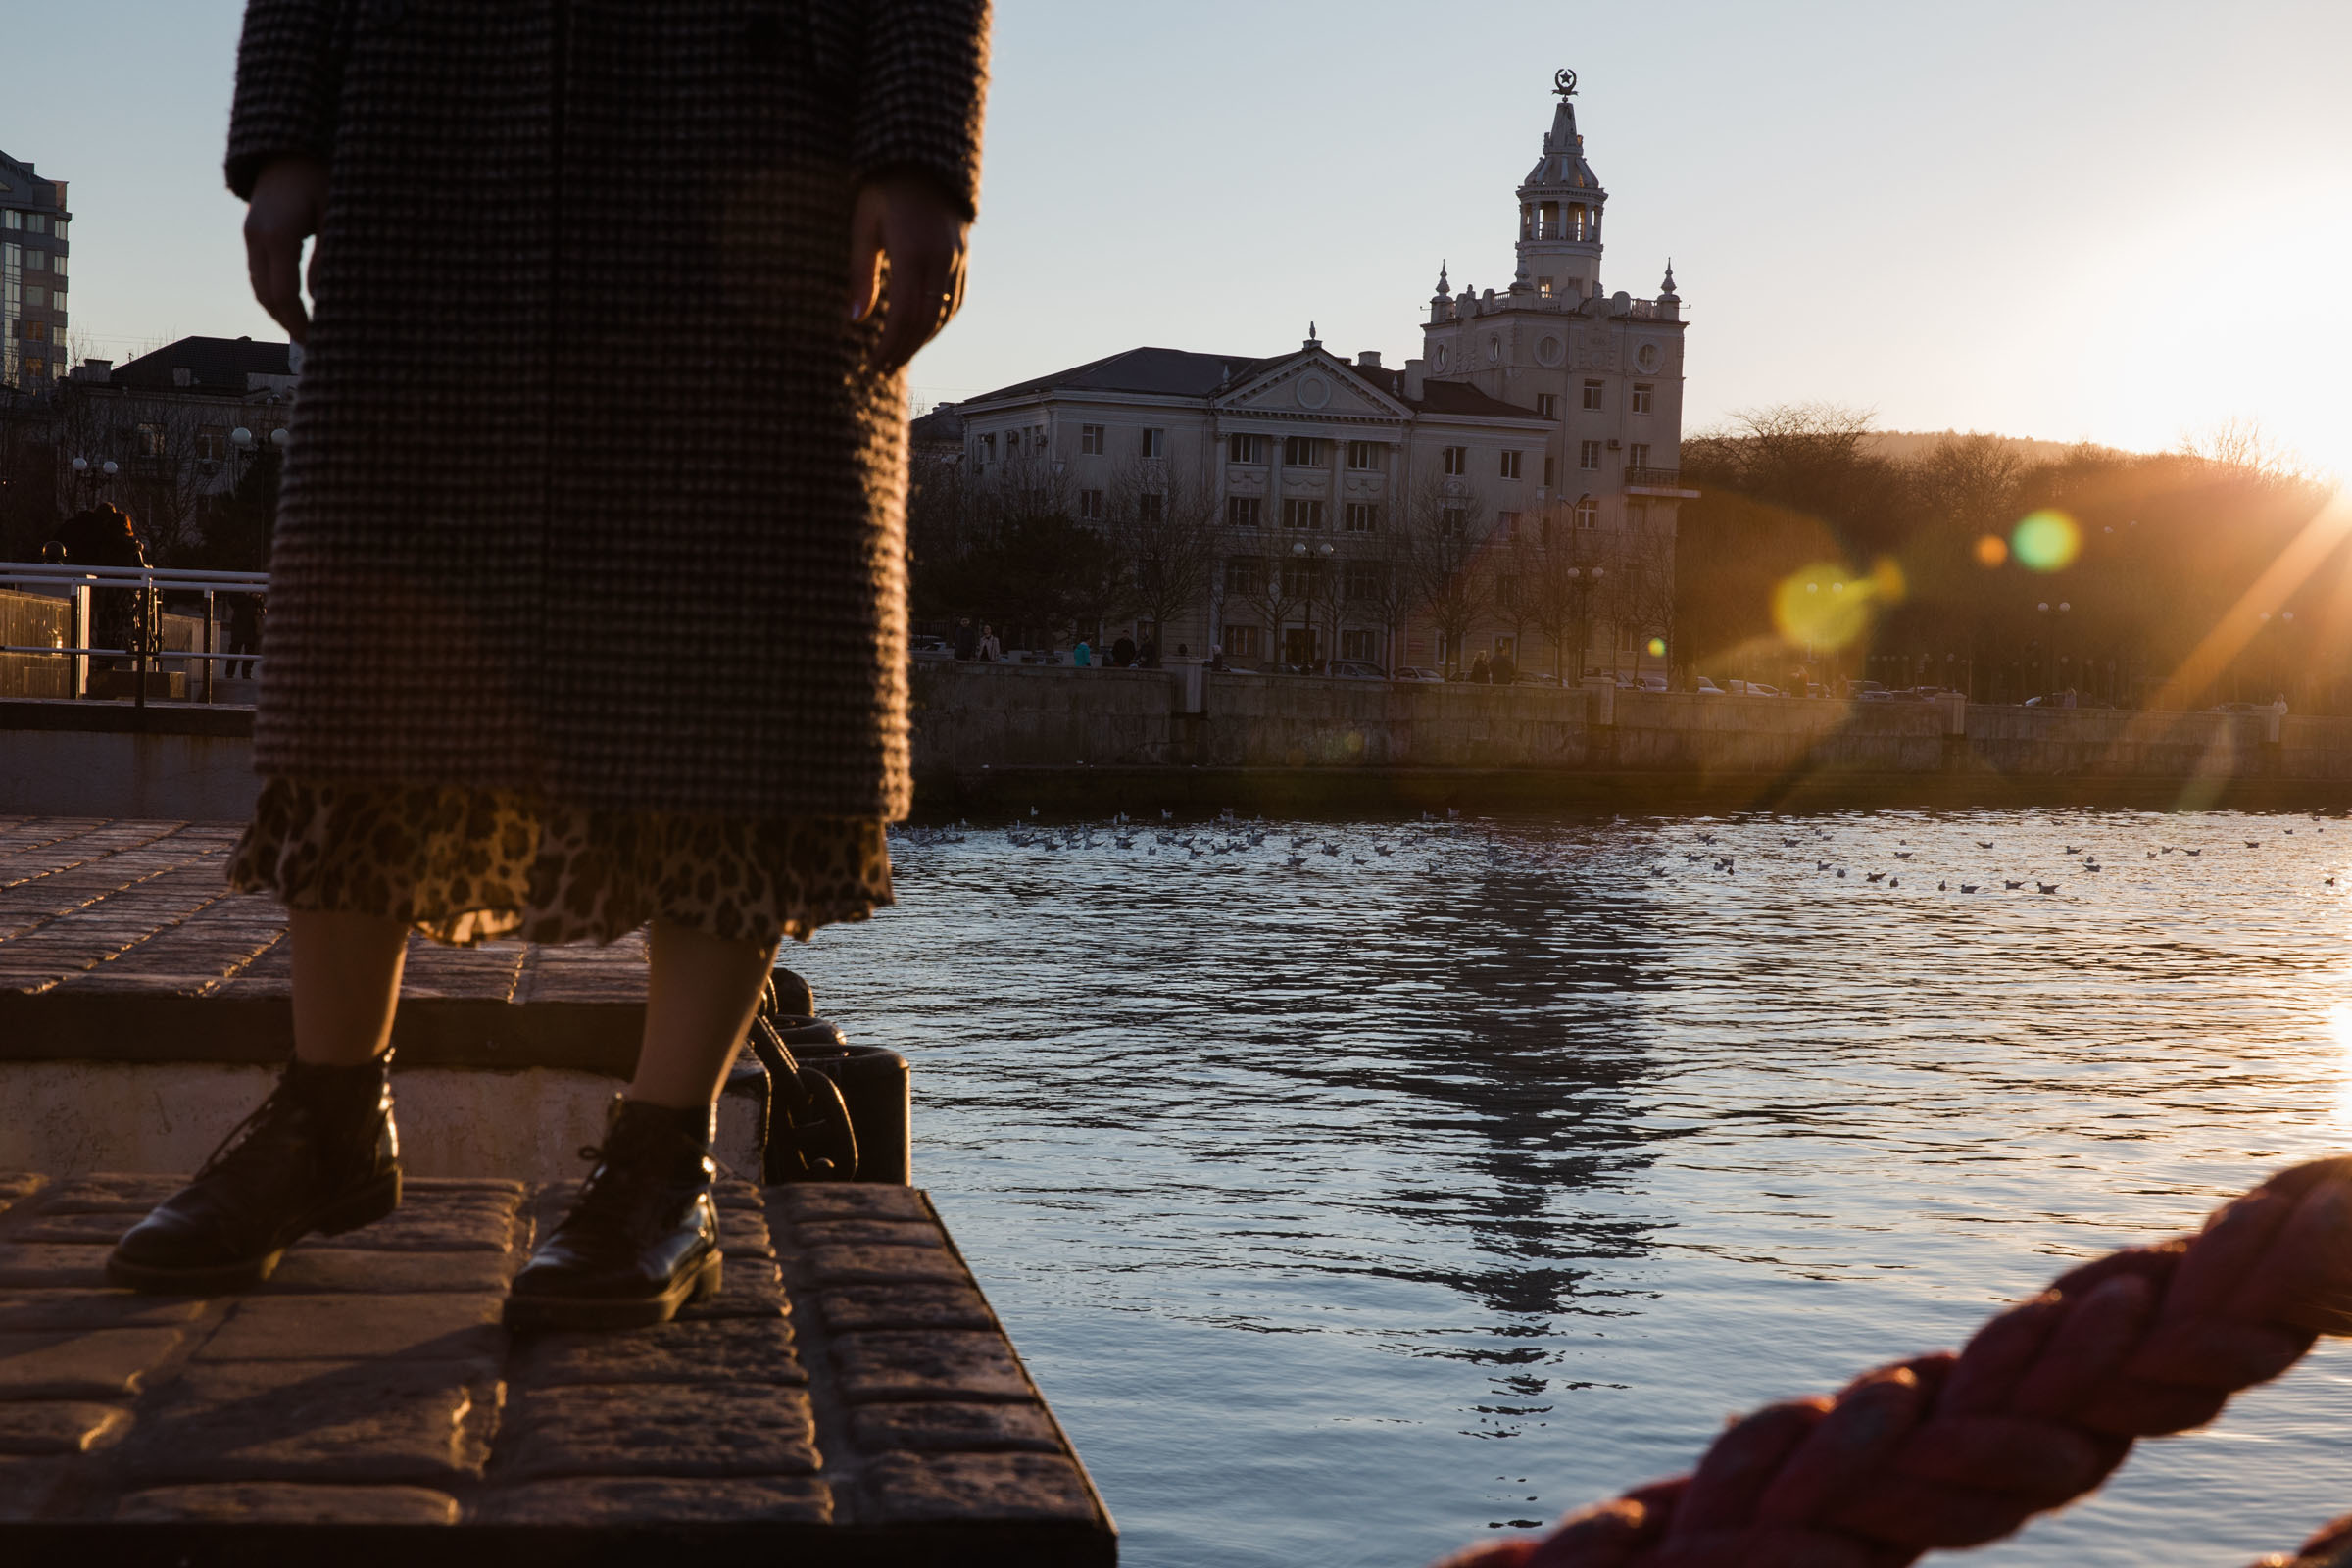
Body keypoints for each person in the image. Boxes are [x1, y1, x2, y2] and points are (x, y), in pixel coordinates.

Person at [106, 0, 994, 1333]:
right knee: (362, 653)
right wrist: (287, 129)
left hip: (760, 136)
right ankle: (329, 1113)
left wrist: (920, 156)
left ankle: (661, 1160)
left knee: (735, 669)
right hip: (438, 122)